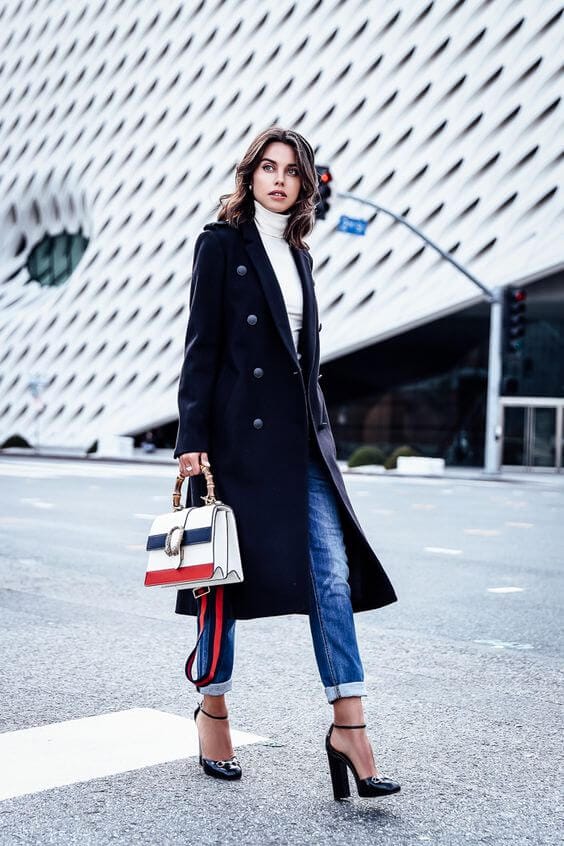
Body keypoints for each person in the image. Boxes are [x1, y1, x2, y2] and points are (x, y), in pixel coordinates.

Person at [173, 126, 400, 800]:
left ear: (305, 184)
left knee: (330, 576)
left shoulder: (299, 253)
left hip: (303, 441)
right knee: (224, 583)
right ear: (249, 176)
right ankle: (213, 711)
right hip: (237, 444)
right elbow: (202, 348)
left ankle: (348, 727)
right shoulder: (220, 245)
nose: (278, 179)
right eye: (266, 168)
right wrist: (192, 437)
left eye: (291, 171)